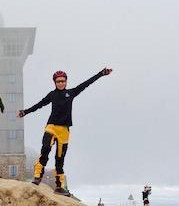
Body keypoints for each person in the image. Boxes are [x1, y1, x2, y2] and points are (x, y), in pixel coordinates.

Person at [18, 67, 112, 196]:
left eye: (63, 81)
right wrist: (25, 112)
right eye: (58, 81)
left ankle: (59, 187)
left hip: (64, 131)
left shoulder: (71, 93)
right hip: (51, 127)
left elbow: (86, 84)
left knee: (60, 159)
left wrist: (101, 74)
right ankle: (37, 177)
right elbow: (40, 104)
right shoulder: (52, 95)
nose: (61, 83)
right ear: (55, 82)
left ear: (66, 81)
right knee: (45, 149)